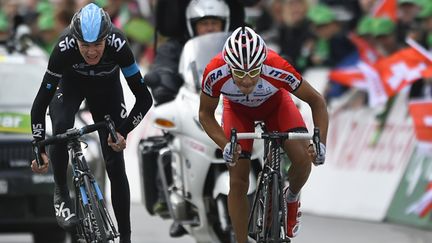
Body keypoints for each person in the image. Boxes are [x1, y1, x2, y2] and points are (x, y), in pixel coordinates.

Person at [29, 3, 153, 243]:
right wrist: (39, 146)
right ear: (75, 40)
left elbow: (144, 98)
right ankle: (61, 192)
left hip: (107, 90)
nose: (92, 52)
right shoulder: (64, 47)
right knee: (62, 125)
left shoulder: (118, 44)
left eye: (97, 44)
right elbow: (40, 103)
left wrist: (123, 131)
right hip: (70, 87)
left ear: (107, 38)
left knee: (115, 162)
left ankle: (125, 237)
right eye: (85, 45)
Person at [198, 27, 329, 242]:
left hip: (276, 106)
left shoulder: (276, 66)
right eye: (239, 73)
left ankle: (292, 197)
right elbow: (205, 114)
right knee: (238, 181)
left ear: (262, 65)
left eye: (253, 72)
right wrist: (225, 145)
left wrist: (320, 143)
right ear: (229, 66)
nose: (247, 80)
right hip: (238, 113)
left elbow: (317, 101)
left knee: (303, 158)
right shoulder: (215, 71)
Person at [145, 0, 230, 105]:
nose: (210, 28)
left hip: (230, 105)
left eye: (215, 23)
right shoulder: (174, 49)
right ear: (193, 26)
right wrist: (164, 83)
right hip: (190, 106)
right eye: (204, 23)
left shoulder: (237, 49)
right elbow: (164, 68)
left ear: (224, 24)